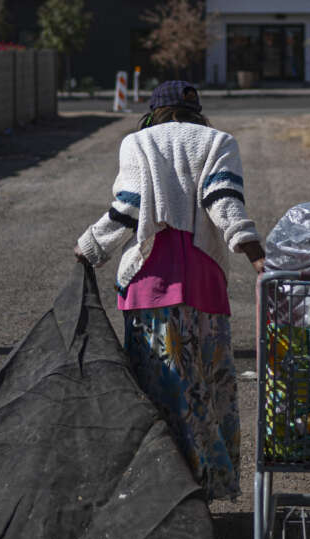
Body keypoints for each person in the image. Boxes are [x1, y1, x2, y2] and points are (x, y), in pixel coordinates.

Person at [74, 81, 265, 501]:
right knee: (209, 389)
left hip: (151, 287)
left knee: (161, 397)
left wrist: (89, 247)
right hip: (205, 285)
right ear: (196, 111)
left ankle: (164, 496)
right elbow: (223, 201)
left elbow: (128, 208)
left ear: (154, 111)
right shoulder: (218, 141)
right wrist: (254, 253)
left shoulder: (137, 143)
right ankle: (211, 484)